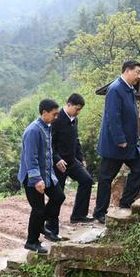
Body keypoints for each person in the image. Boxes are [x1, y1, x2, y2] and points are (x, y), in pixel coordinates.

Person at [93, 60, 140, 224]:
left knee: (138, 168)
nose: (139, 76)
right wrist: (120, 139)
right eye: (137, 72)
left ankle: (125, 203)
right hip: (116, 145)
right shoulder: (115, 89)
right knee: (106, 177)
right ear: (127, 71)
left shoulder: (129, 89)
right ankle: (100, 212)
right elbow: (112, 117)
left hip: (129, 144)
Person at [17, 99, 65, 253]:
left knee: (58, 197)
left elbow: (47, 153)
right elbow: (30, 158)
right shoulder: (33, 130)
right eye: (54, 114)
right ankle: (31, 242)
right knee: (38, 210)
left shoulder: (47, 127)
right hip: (32, 177)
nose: (56, 117)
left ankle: (42, 226)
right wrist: (37, 179)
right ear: (44, 113)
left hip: (46, 174)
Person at [45, 93, 94, 237]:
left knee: (87, 180)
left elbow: (76, 140)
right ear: (69, 105)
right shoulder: (56, 119)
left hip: (72, 161)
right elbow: (50, 143)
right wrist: (57, 159)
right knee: (57, 196)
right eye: (77, 109)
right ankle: (50, 228)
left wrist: (81, 158)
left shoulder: (75, 120)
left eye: (80, 110)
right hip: (58, 164)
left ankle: (78, 214)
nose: (78, 112)